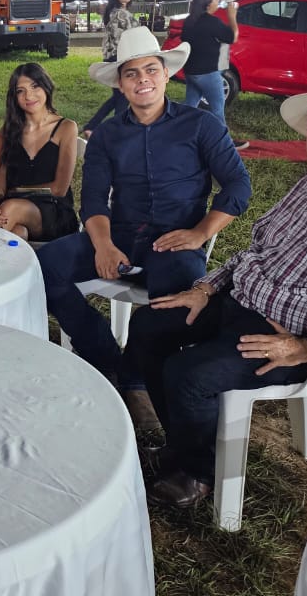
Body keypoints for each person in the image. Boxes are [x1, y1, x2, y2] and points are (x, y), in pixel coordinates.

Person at [128, 72, 307, 508]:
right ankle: (181, 444)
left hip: (287, 337)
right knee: (149, 326)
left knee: (188, 375)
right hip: (239, 303)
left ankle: (199, 473)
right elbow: (257, 252)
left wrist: (305, 348)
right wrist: (206, 288)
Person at [38, 26, 251, 425]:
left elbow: (238, 184)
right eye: (132, 73)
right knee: (44, 266)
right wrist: (103, 245)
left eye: (151, 70)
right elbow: (94, 199)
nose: (143, 80)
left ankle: (136, 379)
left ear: (166, 74)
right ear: (120, 84)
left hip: (175, 239)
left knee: (178, 292)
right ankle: (106, 358)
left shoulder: (201, 125)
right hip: (119, 234)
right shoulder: (107, 135)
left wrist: (201, 232)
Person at [0, 62, 79, 241]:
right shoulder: (8, 131)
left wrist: (15, 191)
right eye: (20, 91)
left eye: (35, 86)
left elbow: (59, 189)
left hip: (54, 210)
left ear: (46, 86)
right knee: (18, 232)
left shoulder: (66, 127)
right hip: (11, 211)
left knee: (10, 209)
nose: (28, 95)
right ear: (14, 97)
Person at [180, 0, 246, 149]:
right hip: (208, 73)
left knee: (190, 105)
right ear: (208, 3)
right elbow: (233, 37)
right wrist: (232, 16)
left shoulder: (189, 20)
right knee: (217, 109)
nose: (218, 1)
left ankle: (181, 136)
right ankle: (224, 142)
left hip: (191, 72)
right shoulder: (212, 22)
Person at [83, 0, 136, 137]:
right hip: (120, 59)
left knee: (118, 97)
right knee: (123, 97)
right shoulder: (120, 14)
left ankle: (91, 127)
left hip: (116, 58)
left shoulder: (115, 12)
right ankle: (119, 132)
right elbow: (122, 41)